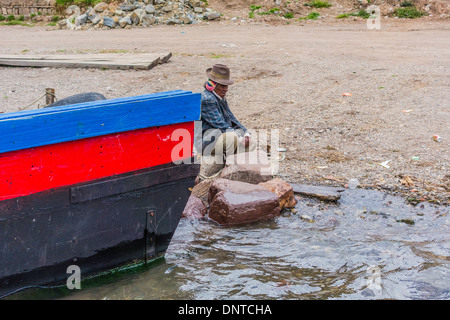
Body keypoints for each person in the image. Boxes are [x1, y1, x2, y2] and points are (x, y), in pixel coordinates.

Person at [199, 64, 256, 178]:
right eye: (223, 86)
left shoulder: (219, 96)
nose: (226, 89)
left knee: (251, 142)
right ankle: (230, 174)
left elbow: (231, 118)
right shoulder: (207, 99)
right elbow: (220, 124)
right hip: (207, 142)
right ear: (213, 84)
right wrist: (238, 136)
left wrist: (246, 132)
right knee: (232, 137)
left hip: (219, 137)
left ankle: (246, 173)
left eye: (227, 86)